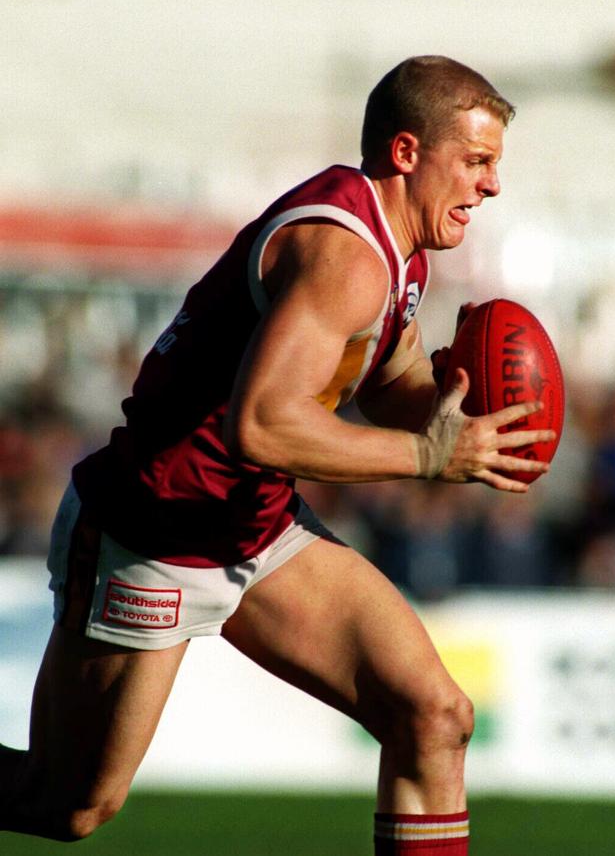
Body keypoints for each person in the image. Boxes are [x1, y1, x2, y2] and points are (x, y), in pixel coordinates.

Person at [0, 55, 555, 855]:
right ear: (406, 152)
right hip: (156, 532)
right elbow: (259, 426)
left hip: (253, 526)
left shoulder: (397, 248)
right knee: (70, 805)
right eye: (476, 161)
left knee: (433, 716)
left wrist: (469, 409)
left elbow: (385, 378)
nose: (492, 185)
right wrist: (429, 456)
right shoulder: (346, 257)